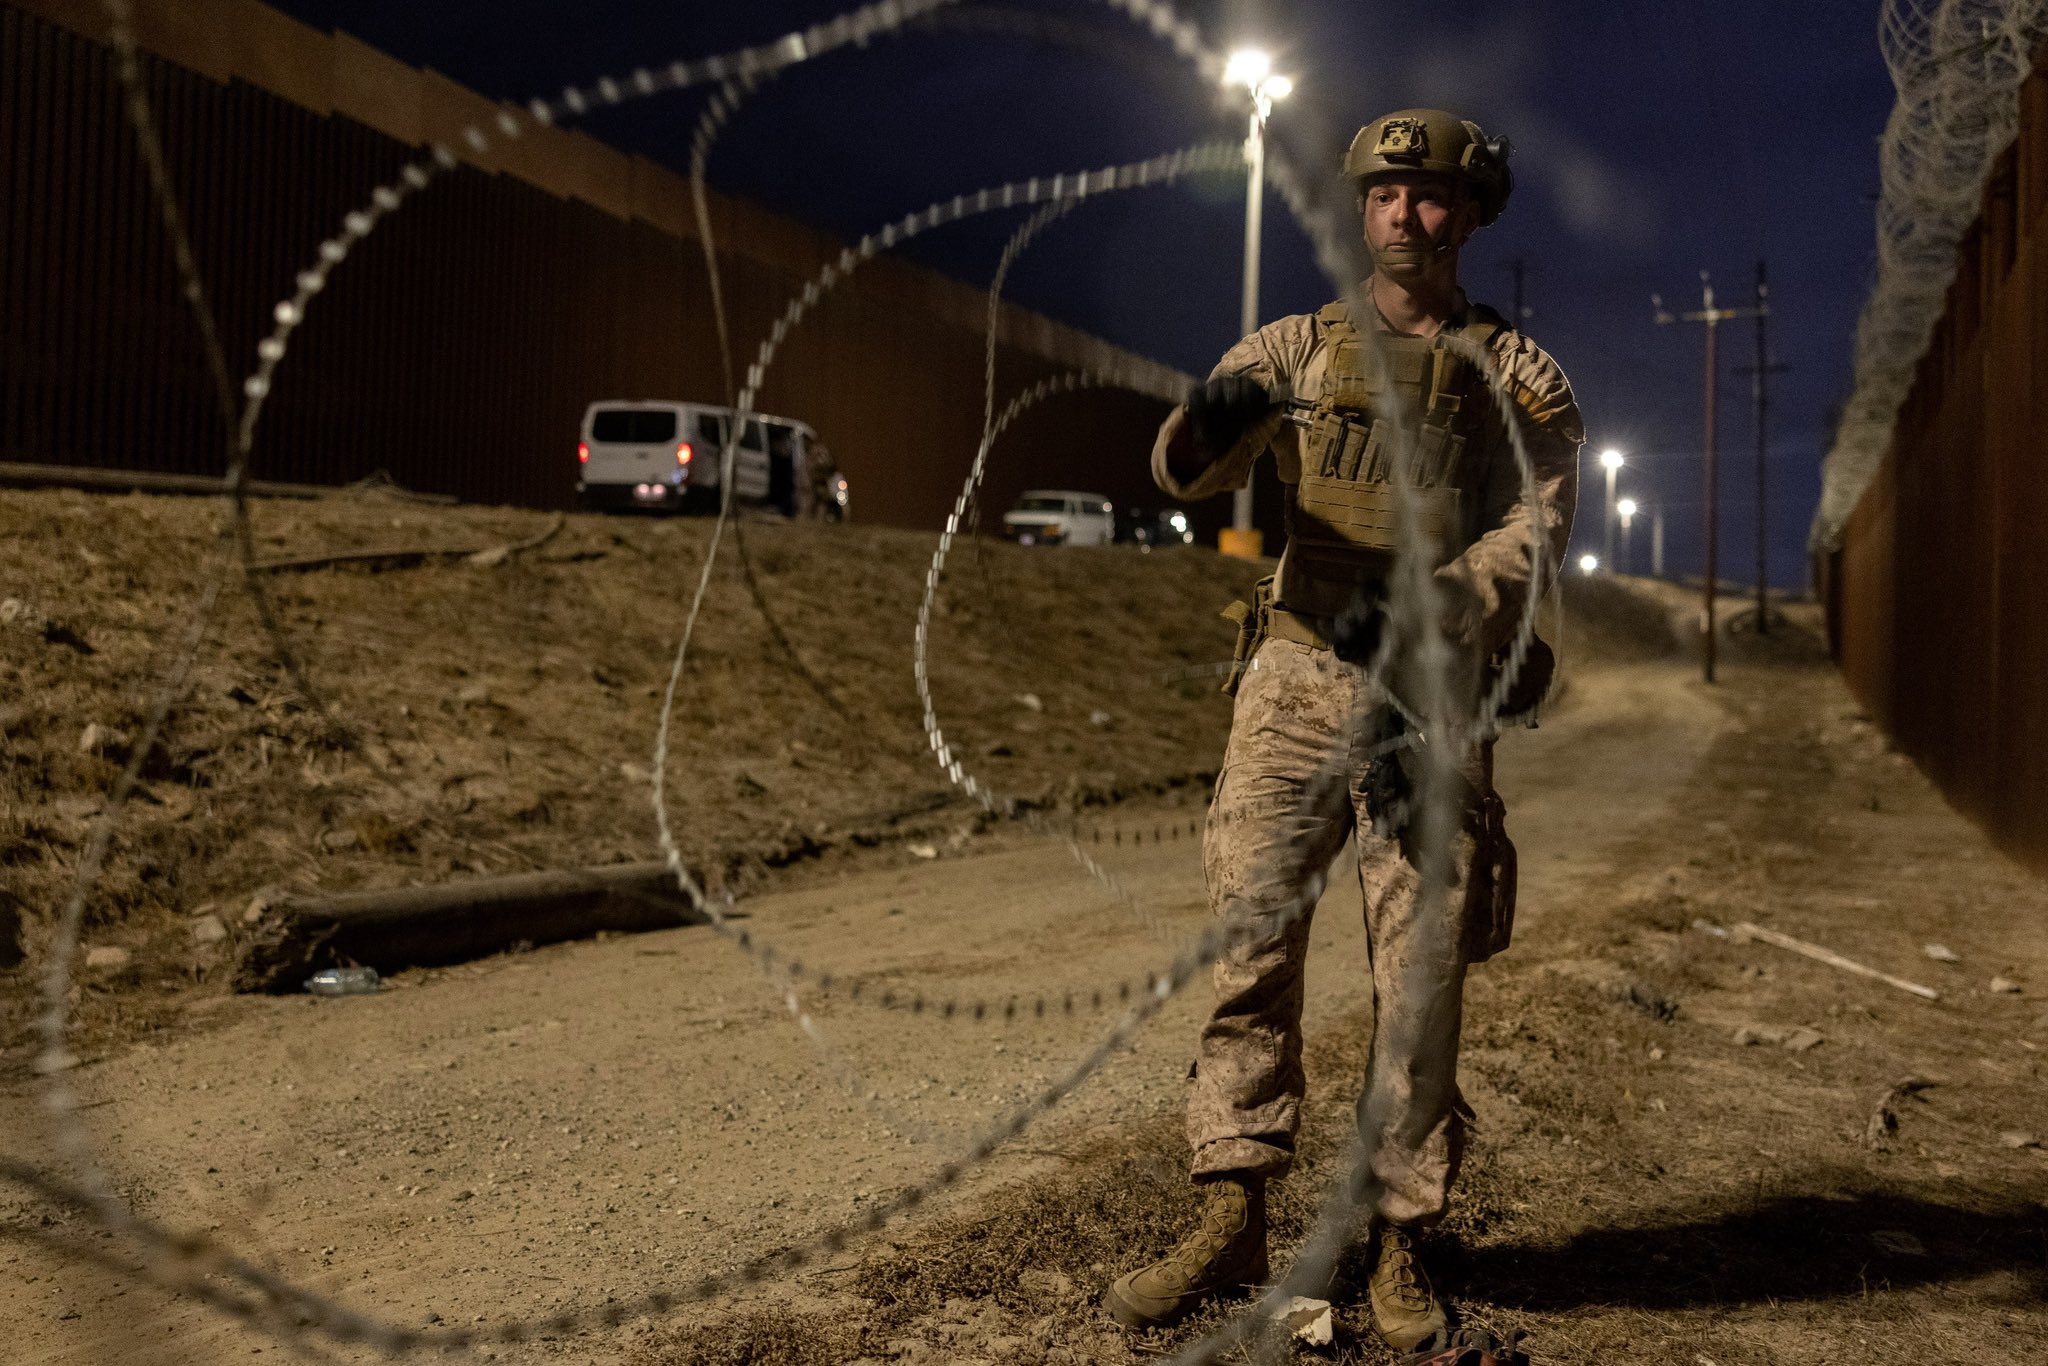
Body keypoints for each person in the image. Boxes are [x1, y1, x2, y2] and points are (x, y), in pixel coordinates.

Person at [1101, 108, 1583, 1350]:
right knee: (1249, 947)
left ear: (1469, 215)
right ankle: (1231, 1207)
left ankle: (1401, 1238)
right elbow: (1185, 466)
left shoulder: (1514, 374)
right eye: (1383, 194)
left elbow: (1537, 529)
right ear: (1358, 209)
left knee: (1417, 980)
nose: (1404, 215)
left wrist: (1458, 595)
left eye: (1429, 197)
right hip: (1297, 674)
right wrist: (1202, 424)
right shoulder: (1293, 348)